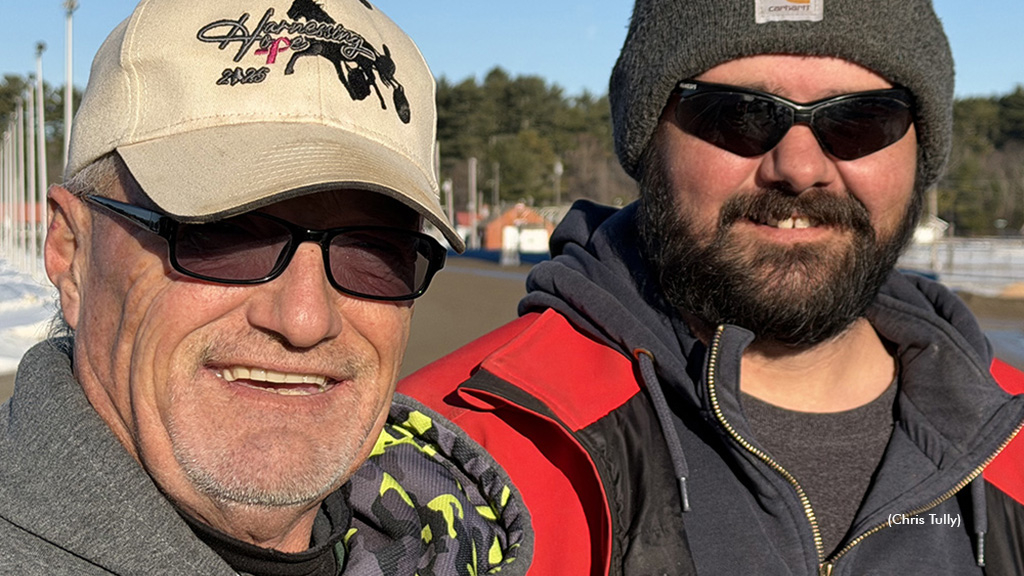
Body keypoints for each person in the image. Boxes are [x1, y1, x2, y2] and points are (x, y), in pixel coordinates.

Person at [400, 1, 1024, 574]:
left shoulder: (1013, 442)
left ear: (922, 153)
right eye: (740, 116)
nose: (800, 169)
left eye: (861, 120)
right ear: (647, 140)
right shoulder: (449, 456)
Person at [0, 1, 532, 574]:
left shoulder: (462, 539)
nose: (305, 319)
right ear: (71, 252)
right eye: (223, 233)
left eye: (372, 252)